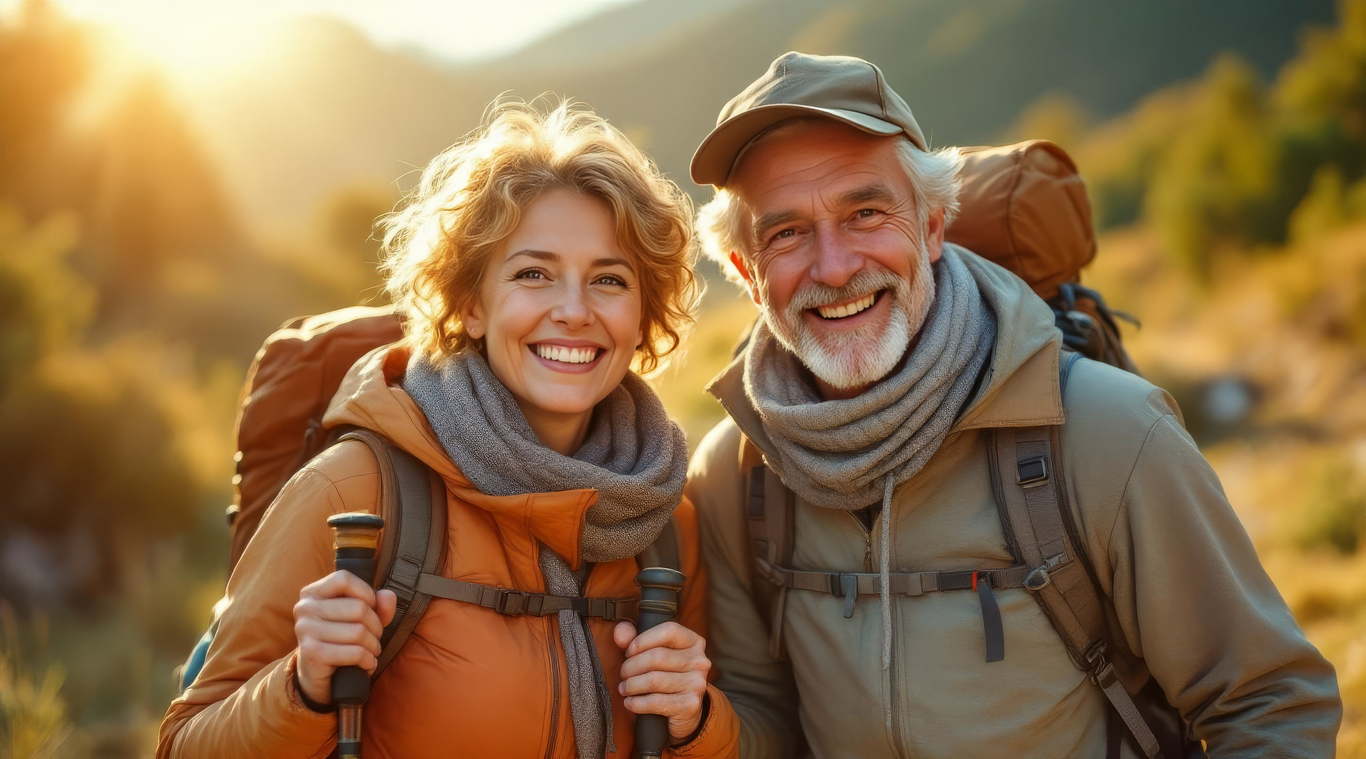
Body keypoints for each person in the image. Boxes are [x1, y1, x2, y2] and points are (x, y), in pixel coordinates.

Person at [684, 52, 1341, 758]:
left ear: (933, 226)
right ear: (750, 275)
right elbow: (765, 723)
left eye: (866, 212)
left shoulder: (1106, 432)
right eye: (786, 233)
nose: (835, 266)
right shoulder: (735, 472)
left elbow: (1271, 703)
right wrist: (701, 724)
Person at [158, 102, 740, 758]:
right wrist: (304, 684)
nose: (574, 310)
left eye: (609, 279)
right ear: (471, 303)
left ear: (643, 315)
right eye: (533, 274)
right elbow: (185, 743)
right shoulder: (356, 489)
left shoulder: (664, 520)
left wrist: (695, 722)